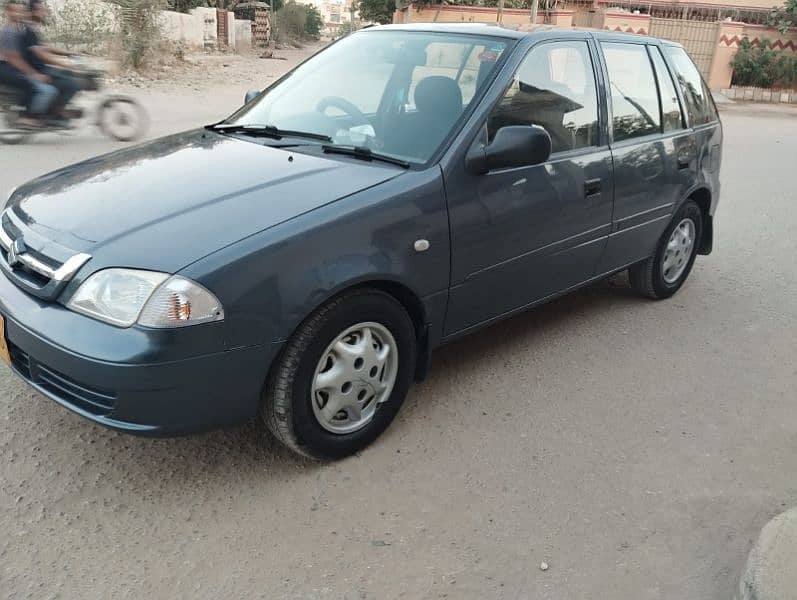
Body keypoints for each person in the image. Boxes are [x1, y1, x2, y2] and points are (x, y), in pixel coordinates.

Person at [0, 0, 57, 127]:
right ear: (8, 12)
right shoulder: (9, 31)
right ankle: (26, 117)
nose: (20, 14)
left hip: (11, 68)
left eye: (21, 11)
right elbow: (14, 59)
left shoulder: (19, 29)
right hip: (4, 68)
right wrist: (35, 74)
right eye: (16, 11)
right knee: (39, 87)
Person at [23, 0, 82, 122]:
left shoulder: (33, 28)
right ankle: (55, 113)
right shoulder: (27, 31)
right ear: (31, 12)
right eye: (40, 10)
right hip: (36, 70)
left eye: (43, 10)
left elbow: (46, 48)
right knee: (72, 85)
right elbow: (40, 54)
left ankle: (57, 109)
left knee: (68, 76)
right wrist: (64, 64)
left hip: (41, 67)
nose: (43, 13)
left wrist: (69, 53)